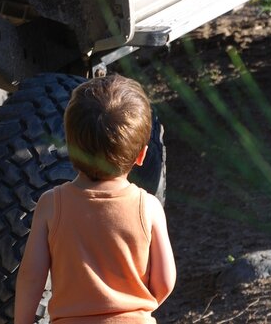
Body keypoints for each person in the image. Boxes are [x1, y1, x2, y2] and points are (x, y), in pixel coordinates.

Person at [14, 74, 176, 324]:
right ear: (141, 155)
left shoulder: (51, 205)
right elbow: (165, 281)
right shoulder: (149, 207)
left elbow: (31, 277)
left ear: (69, 147)